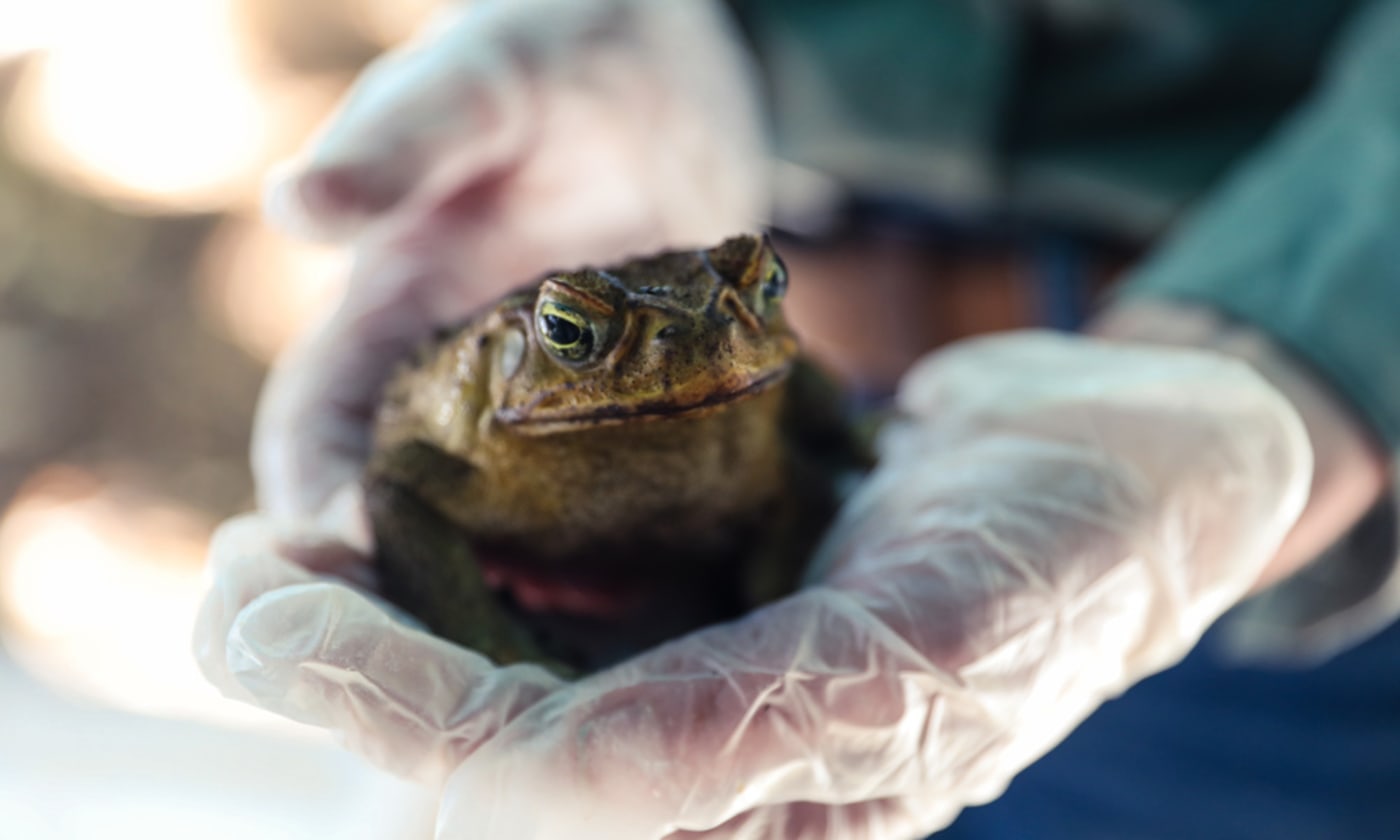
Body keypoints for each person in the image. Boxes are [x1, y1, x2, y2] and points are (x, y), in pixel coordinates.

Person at [194, 1, 1399, 837]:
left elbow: (803, 420)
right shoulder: (487, 401)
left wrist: (1302, 347)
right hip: (781, 212)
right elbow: (409, 486)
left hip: (1234, 446)